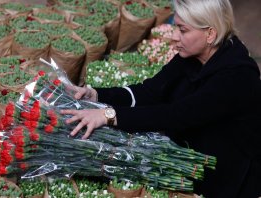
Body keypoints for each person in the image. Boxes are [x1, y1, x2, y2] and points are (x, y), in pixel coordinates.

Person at [61, 0, 261, 197]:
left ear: (210, 34)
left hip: (226, 178)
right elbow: (150, 92)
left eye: (183, 30)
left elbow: (177, 115)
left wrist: (109, 115)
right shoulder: (193, 56)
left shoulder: (237, 76)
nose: (174, 37)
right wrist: (97, 95)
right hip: (190, 162)